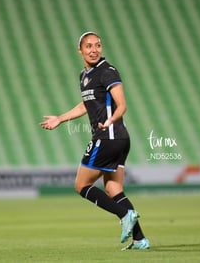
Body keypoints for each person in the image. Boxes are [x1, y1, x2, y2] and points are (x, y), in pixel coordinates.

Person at [40, 32, 150, 250]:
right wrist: (60, 118)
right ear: (80, 50)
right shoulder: (84, 75)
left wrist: (110, 121)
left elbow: (122, 105)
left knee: (81, 185)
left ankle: (124, 215)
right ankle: (140, 239)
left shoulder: (107, 72)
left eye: (98, 45)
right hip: (118, 139)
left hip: (108, 137)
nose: (94, 50)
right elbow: (85, 105)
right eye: (89, 46)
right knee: (114, 189)